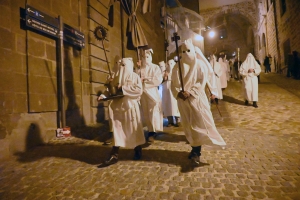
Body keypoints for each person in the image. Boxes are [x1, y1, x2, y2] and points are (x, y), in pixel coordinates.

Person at [171, 39, 226, 165]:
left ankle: (197, 152)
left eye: (188, 51)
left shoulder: (200, 65)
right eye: (183, 52)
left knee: (199, 124)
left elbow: (201, 81)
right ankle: (194, 148)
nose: (186, 54)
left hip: (197, 99)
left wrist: (190, 91)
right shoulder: (177, 66)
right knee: (188, 125)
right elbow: (173, 83)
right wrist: (179, 92)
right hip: (183, 101)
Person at [97, 57, 145, 167]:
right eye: (121, 65)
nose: (122, 68)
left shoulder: (134, 77)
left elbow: (138, 90)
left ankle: (137, 149)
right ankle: (114, 154)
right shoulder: (115, 77)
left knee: (132, 129)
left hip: (130, 107)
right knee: (117, 130)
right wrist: (103, 96)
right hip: (117, 108)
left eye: (124, 65)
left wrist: (123, 88)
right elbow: (109, 91)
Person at [139, 47, 163, 142]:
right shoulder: (140, 69)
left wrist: (146, 81)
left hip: (152, 92)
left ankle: (153, 131)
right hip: (143, 93)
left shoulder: (155, 67)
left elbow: (158, 80)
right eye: (144, 57)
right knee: (145, 112)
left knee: (152, 111)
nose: (146, 59)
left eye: (147, 56)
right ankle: (149, 130)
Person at [161, 59, 181, 127]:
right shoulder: (164, 72)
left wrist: (169, 76)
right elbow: (160, 80)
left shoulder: (176, 71)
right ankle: (170, 121)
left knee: (175, 105)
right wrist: (164, 77)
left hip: (173, 90)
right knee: (168, 105)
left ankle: (178, 120)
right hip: (166, 90)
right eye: (168, 65)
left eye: (171, 64)